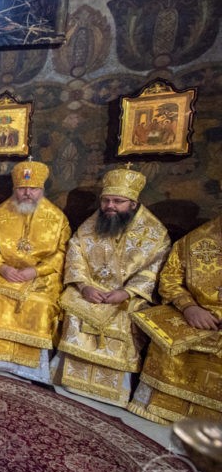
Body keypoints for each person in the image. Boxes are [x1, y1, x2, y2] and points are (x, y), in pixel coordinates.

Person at [53, 166, 170, 406]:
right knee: (74, 309)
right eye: (106, 200)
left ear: (133, 204)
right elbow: (75, 253)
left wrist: (126, 292)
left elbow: (154, 269)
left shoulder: (155, 233)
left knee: (125, 318)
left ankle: (112, 390)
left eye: (118, 201)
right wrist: (84, 286)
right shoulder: (90, 224)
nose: (110, 206)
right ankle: (70, 380)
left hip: (127, 295)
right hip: (89, 289)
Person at [0, 160, 71, 382]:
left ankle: (28, 368)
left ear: (41, 189)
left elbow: (62, 253)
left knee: (40, 304)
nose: (27, 193)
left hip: (40, 277)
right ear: (14, 189)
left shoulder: (57, 218)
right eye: (22, 188)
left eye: (33, 189)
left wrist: (36, 271)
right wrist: (2, 267)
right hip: (3, 272)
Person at [127, 213, 222, 423]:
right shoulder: (192, 241)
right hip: (196, 313)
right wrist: (189, 307)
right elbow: (169, 279)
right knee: (166, 341)